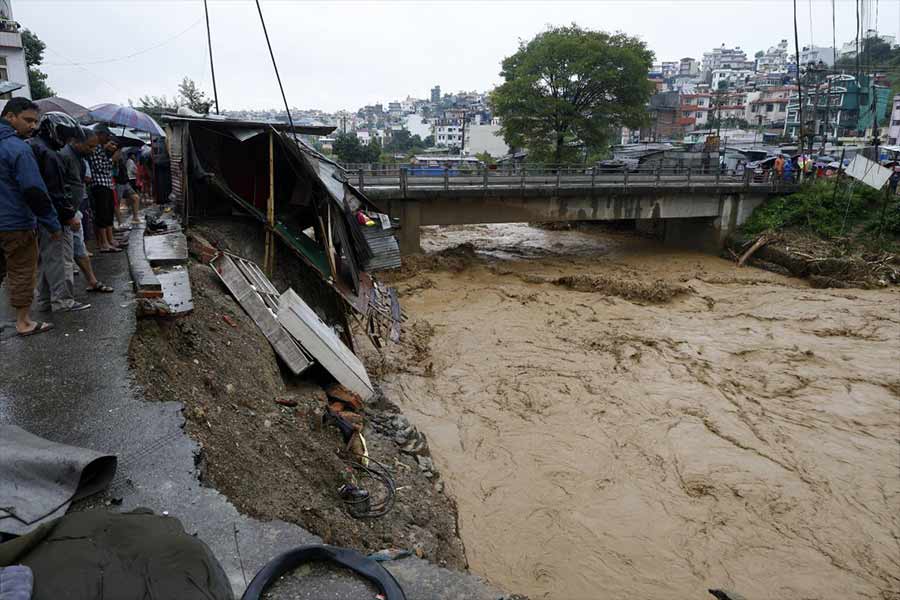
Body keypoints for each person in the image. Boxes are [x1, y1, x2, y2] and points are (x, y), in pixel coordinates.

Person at [0, 98, 60, 336]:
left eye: (36, 121)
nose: (33, 126)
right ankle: (23, 322)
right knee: (22, 270)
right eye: (28, 120)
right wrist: (52, 224)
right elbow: (34, 190)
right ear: (10, 116)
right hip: (16, 223)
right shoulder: (18, 148)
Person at [28, 111, 91, 313]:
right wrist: (69, 215)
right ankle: (63, 301)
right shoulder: (49, 154)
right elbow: (56, 191)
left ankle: (47, 300)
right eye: (65, 136)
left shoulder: (33, 147)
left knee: (46, 260)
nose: (66, 141)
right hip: (53, 216)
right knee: (60, 258)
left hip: (38, 216)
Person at [60, 126, 113, 294]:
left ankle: (92, 281)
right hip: (65, 213)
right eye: (89, 146)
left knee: (79, 248)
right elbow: (59, 189)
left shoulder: (79, 157)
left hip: (74, 211)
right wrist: (69, 214)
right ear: (75, 141)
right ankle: (62, 299)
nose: (92, 151)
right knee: (64, 256)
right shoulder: (64, 157)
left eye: (94, 147)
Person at [86, 124, 122, 252]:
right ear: (100, 134)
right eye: (106, 136)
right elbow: (100, 168)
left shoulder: (101, 148)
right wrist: (112, 160)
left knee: (108, 214)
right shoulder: (95, 149)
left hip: (107, 184)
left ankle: (110, 240)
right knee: (102, 215)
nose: (107, 138)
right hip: (99, 185)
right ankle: (104, 243)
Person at [114, 149, 141, 225]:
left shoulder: (122, 159)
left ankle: (135, 217)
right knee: (117, 203)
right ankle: (120, 222)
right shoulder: (112, 161)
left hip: (125, 182)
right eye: (118, 152)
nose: (120, 153)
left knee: (136, 197)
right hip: (118, 183)